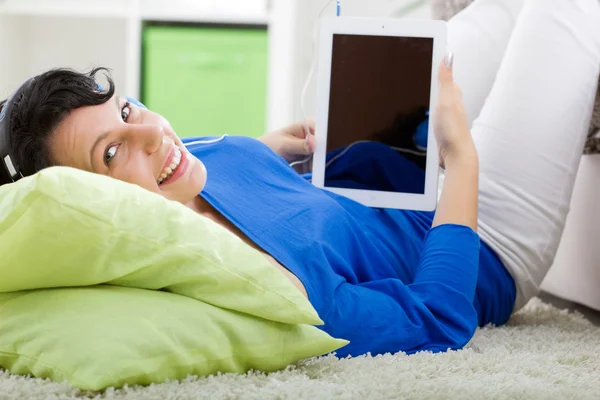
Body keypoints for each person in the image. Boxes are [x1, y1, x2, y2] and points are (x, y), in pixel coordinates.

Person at [1, 0, 599, 358]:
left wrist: (269, 151)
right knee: (567, 8)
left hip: (388, 171)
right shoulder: (268, 283)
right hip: (480, 237)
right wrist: (461, 155)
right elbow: (438, 318)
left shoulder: (177, 172)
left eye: (128, 111)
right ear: (93, 201)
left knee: (500, 10)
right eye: (112, 153)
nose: (154, 135)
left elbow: (217, 166)